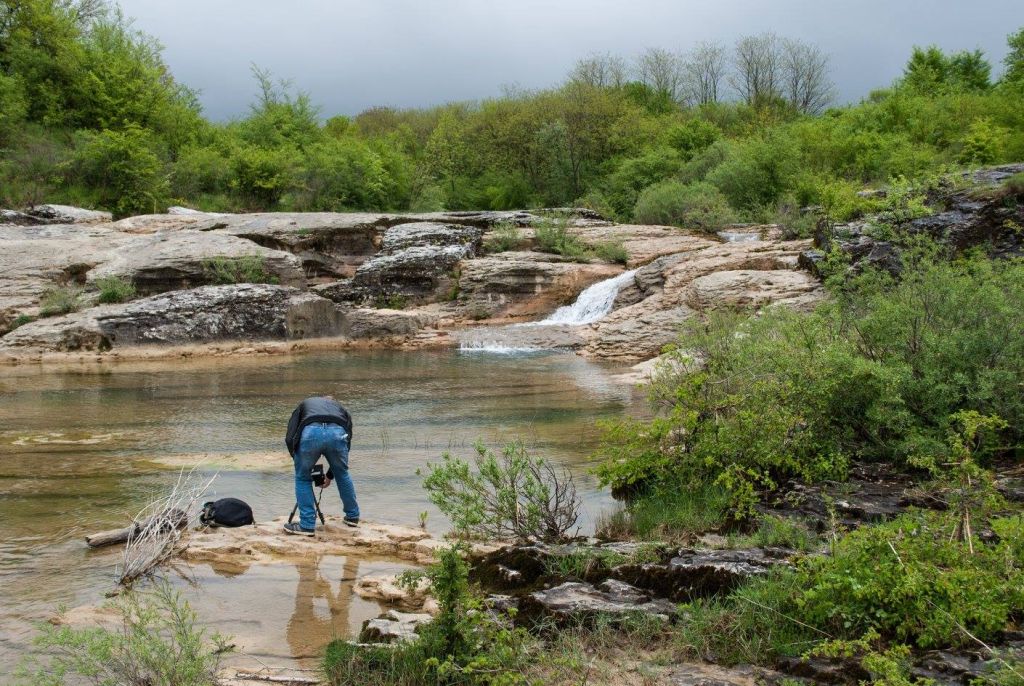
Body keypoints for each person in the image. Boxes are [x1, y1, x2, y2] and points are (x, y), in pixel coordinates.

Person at [284, 396, 360, 536]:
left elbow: (290, 436)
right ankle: (352, 517)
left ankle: (307, 525)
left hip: (310, 431)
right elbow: (347, 441)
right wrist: (331, 475)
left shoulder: (305, 404)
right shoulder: (341, 409)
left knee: (303, 478)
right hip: (338, 432)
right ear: (333, 402)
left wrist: (299, 460)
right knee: (343, 474)